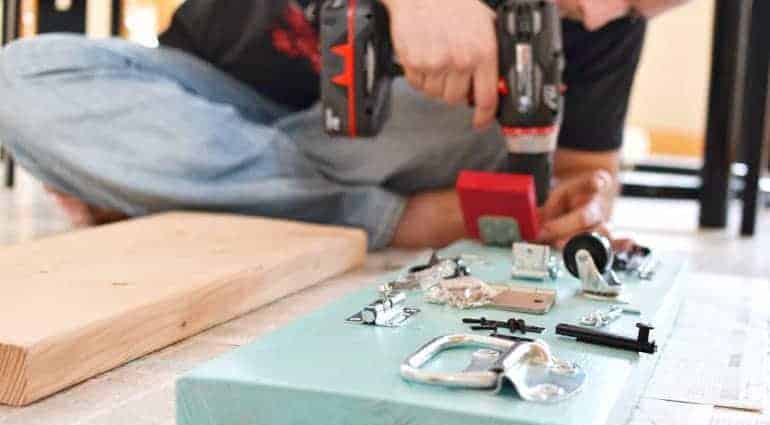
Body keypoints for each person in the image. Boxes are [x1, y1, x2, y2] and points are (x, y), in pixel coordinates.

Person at [0, 0, 688, 250]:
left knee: (509, 99)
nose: (600, 15)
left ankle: (184, 195)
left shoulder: (598, 26)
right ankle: (395, 219)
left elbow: (576, 171)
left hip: (366, 151)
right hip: (217, 100)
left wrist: (587, 197)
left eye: (637, 9)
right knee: (19, 80)